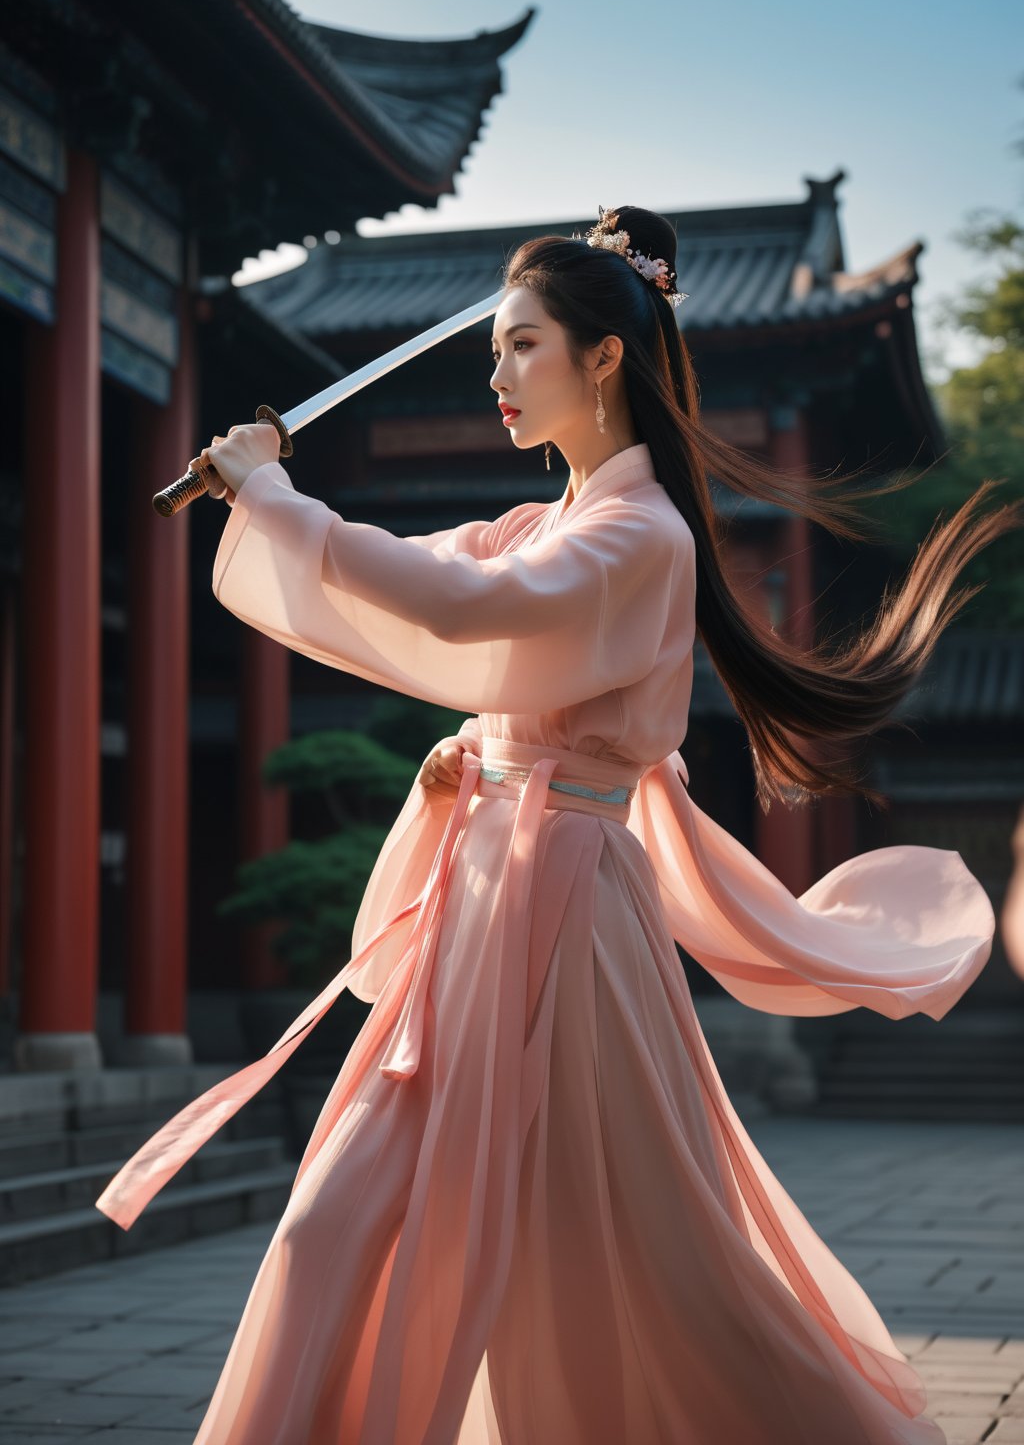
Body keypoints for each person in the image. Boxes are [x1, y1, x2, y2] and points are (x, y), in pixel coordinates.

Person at [96, 206, 1020, 1444]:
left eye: (521, 344)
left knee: (625, 1248)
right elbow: (423, 592)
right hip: (481, 900)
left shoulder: (642, 537)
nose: (494, 374)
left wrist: (273, 490)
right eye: (494, 347)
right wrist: (448, 728)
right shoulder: (550, 526)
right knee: (343, 1218)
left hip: (571, 910)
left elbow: (466, 607)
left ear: (600, 357)